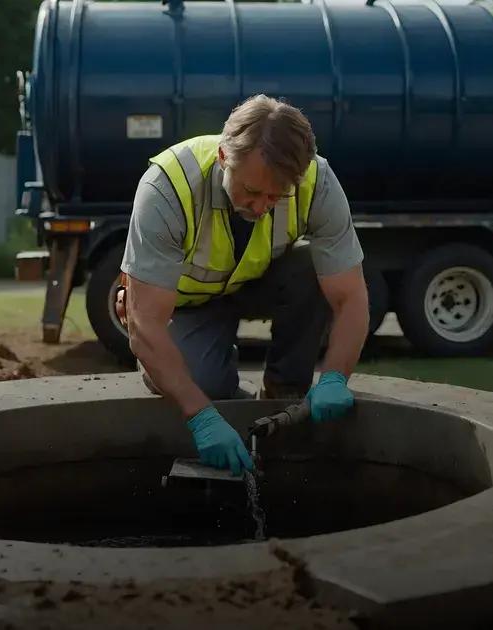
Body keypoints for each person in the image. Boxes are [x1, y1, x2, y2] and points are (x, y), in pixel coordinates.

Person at [119, 94, 369, 476]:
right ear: (223, 158)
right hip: (191, 301)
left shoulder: (316, 181)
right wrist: (201, 416)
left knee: (308, 267)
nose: (262, 206)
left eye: (277, 195)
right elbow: (145, 324)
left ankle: (283, 395)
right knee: (200, 384)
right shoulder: (168, 186)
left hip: (260, 281)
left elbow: (350, 296)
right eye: (251, 192)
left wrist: (336, 375)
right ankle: (223, 390)